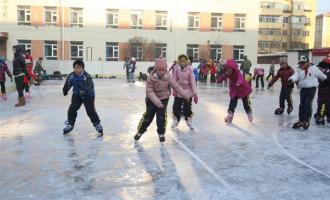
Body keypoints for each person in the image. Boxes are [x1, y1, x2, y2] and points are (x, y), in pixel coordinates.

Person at [134, 56, 189, 142]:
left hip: (164, 98)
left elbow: (176, 87)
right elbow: (149, 91)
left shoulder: (168, 76)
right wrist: (157, 102)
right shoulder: (151, 78)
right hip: (151, 100)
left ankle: (161, 133)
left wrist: (185, 95)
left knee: (161, 116)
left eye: (163, 70)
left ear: (165, 69)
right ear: (156, 69)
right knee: (148, 116)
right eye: (159, 70)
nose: (161, 72)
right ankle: (140, 131)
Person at [62, 60, 103, 136]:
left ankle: (97, 124)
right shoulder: (71, 76)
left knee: (90, 110)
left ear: (83, 68)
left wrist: (84, 91)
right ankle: (70, 124)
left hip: (89, 96)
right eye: (76, 68)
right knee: (72, 108)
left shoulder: (87, 76)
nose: (77, 70)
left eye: (79, 68)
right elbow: (68, 83)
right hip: (77, 95)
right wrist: (65, 90)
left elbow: (90, 86)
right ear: (73, 68)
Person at [289, 55, 327, 130]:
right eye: (300, 63)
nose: (301, 65)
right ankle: (301, 120)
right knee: (302, 105)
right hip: (303, 89)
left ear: (307, 62)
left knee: (307, 104)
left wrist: (325, 80)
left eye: (303, 63)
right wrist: (292, 79)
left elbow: (322, 76)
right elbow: (296, 76)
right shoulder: (299, 70)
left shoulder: (313, 69)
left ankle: (306, 120)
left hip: (311, 88)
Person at [217, 59, 253, 124]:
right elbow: (223, 77)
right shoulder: (227, 73)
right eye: (227, 70)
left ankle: (249, 113)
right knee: (232, 103)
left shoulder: (237, 72)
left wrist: (239, 82)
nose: (228, 72)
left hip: (242, 89)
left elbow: (240, 78)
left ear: (233, 69)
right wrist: (219, 80)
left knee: (246, 104)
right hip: (235, 90)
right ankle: (230, 114)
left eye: (229, 70)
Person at [170, 54, 198, 130]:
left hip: (188, 92)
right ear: (179, 62)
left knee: (187, 107)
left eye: (184, 61)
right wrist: (175, 91)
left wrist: (195, 94)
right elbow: (174, 81)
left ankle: (189, 120)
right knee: (176, 106)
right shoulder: (176, 69)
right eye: (181, 61)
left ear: (187, 62)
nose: (182, 63)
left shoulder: (190, 70)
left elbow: (193, 82)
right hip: (179, 91)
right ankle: (176, 120)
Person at [314, 59, 330, 125]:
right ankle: (320, 116)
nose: (319, 69)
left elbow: (326, 81)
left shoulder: (328, 74)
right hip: (322, 93)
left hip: (327, 93)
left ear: (326, 67)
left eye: (321, 68)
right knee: (321, 104)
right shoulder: (320, 74)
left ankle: (327, 116)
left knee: (327, 105)